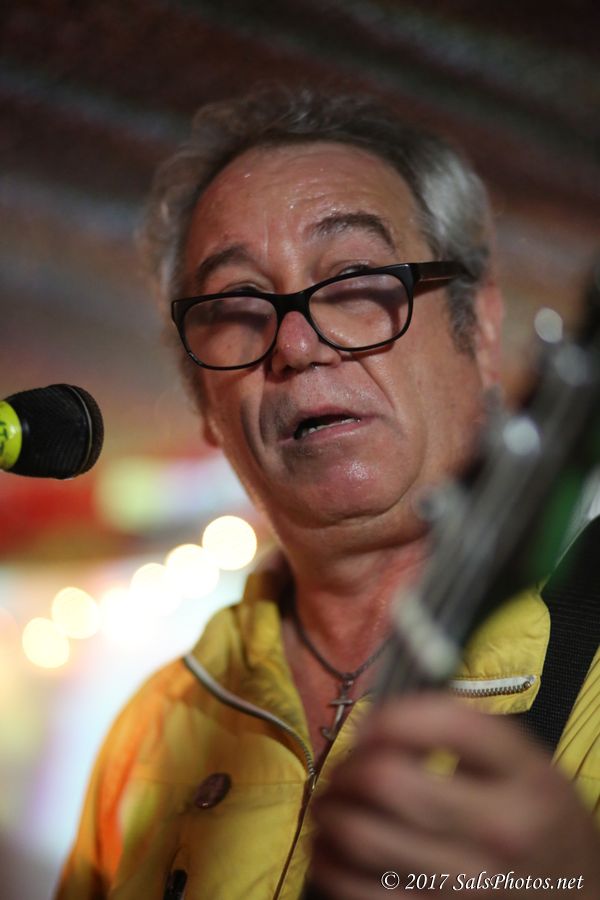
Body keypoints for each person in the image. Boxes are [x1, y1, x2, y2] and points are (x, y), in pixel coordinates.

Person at [55, 86, 600, 899]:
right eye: (238, 306)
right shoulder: (156, 729)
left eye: (354, 279)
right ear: (204, 405)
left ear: (481, 328)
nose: (298, 343)